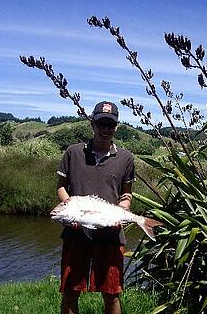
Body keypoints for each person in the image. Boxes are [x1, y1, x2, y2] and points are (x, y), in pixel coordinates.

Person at [56, 101, 135, 314]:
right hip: (76, 234)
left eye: (110, 125)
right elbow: (62, 188)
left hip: (110, 235)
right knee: (71, 291)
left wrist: (123, 210)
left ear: (116, 127)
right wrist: (69, 208)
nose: (105, 130)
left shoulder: (126, 158)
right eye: (101, 124)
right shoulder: (73, 153)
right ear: (92, 124)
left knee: (111, 294)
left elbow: (126, 194)